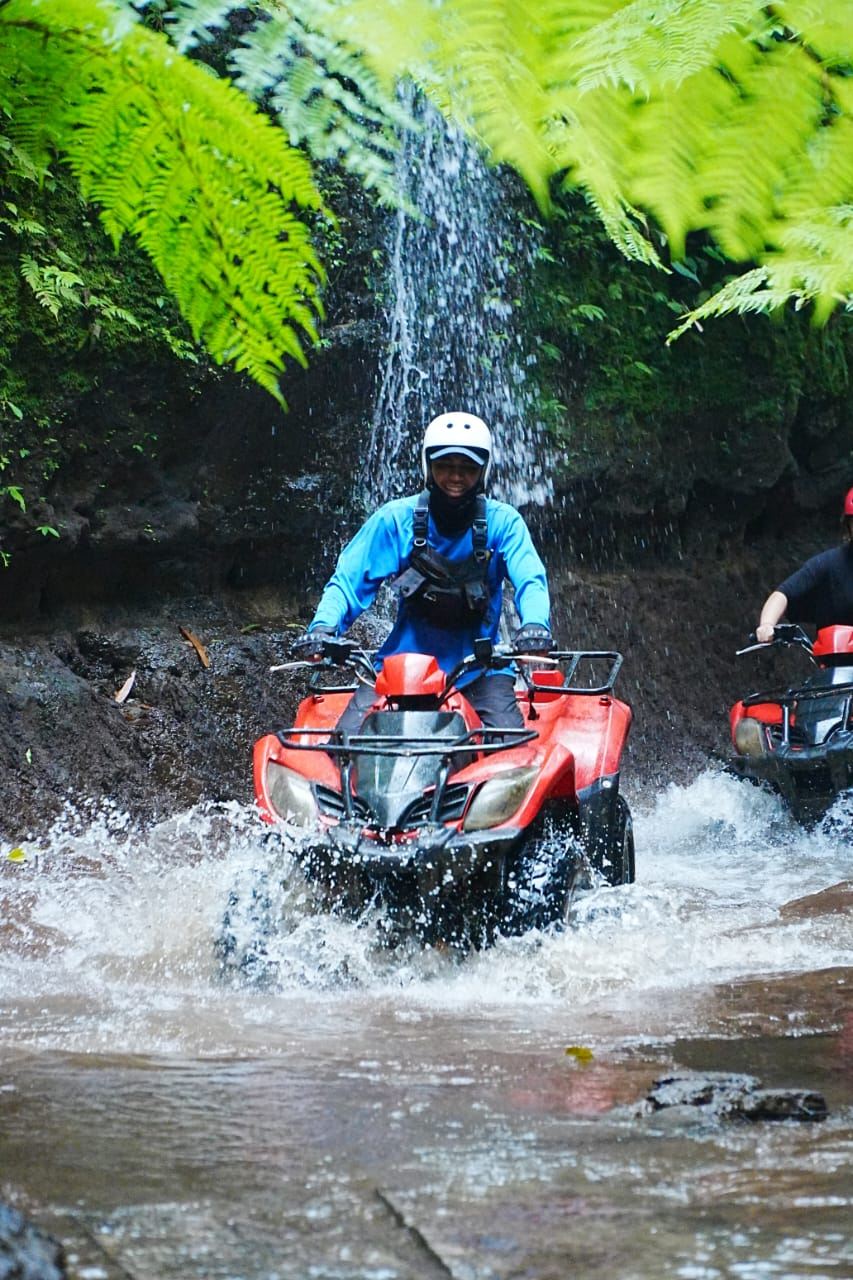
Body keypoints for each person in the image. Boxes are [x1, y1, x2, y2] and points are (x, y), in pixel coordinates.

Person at [292, 411, 552, 735]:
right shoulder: (395, 520)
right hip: (400, 669)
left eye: (467, 468)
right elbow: (347, 582)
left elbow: (531, 580)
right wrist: (323, 628)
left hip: (480, 671)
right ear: (428, 466)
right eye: (445, 466)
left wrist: (535, 627)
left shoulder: (505, 523)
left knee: (513, 755)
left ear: (483, 472)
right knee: (344, 748)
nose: (455, 477)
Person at [756, 486, 853, 642]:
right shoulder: (829, 563)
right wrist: (766, 624)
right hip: (833, 661)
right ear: (848, 526)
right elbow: (783, 594)